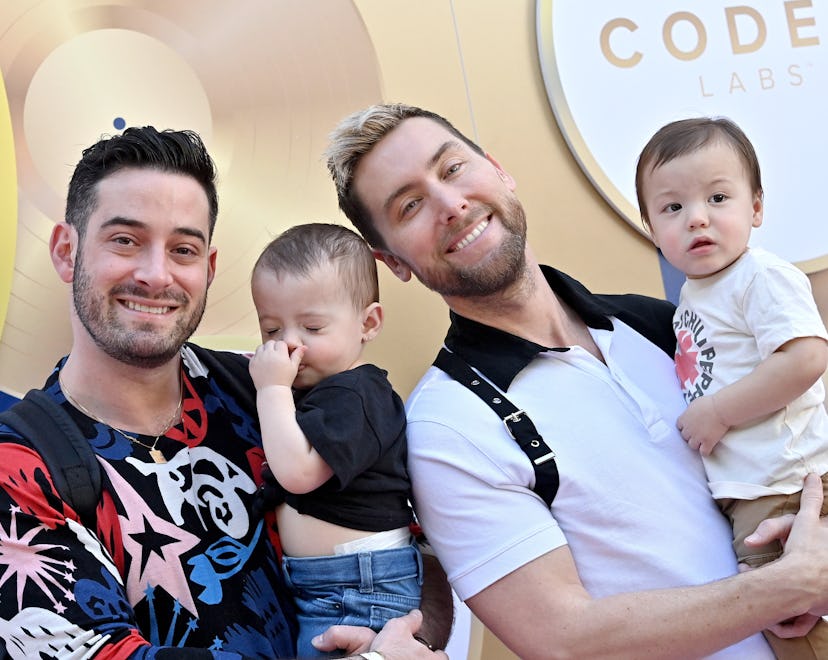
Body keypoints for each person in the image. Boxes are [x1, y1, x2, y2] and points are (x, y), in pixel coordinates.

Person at [323, 102, 828, 659]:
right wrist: (788, 583)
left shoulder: (662, 323)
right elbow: (564, 641)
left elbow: (796, 432)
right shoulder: (448, 429)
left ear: (498, 169)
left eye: (452, 169)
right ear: (391, 261)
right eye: (410, 205)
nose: (451, 204)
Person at [0, 126, 450, 659]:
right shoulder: (22, 464)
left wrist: (408, 636)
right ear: (65, 252)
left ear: (208, 270)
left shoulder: (264, 387)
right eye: (125, 240)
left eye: (183, 249)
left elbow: (410, 544)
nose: (155, 274)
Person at [635, 116, 828, 658]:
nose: (697, 218)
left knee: (797, 628)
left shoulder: (758, 276)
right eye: (673, 208)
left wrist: (717, 412)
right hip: (752, 490)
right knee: (778, 621)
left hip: (789, 483)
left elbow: (806, 356)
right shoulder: (694, 299)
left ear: (756, 208)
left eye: (718, 197)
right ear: (650, 226)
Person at [248, 222, 422, 658]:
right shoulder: (321, 392)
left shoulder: (356, 394)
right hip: (331, 581)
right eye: (271, 330)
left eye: (312, 327)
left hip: (359, 587)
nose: (290, 344)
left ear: (368, 322)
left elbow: (299, 474)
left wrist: (271, 391)